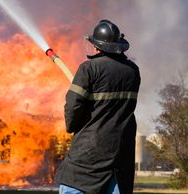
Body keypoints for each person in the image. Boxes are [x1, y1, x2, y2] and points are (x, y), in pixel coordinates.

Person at [55, 20, 141, 194]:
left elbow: (72, 108)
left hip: (86, 162)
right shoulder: (133, 71)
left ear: (97, 46)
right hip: (119, 161)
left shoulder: (89, 69)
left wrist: (72, 126)